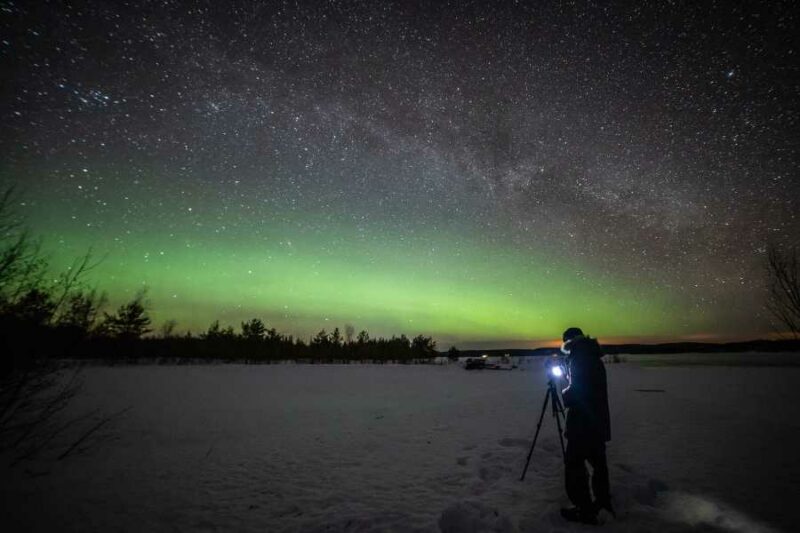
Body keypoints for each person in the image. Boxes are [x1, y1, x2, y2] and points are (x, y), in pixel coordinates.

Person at [559, 327, 614, 525]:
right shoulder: (591, 355)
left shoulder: (580, 358)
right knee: (599, 463)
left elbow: (578, 392)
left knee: (574, 465)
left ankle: (584, 509)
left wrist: (564, 393)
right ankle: (603, 503)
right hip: (597, 422)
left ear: (569, 341)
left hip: (583, 423)